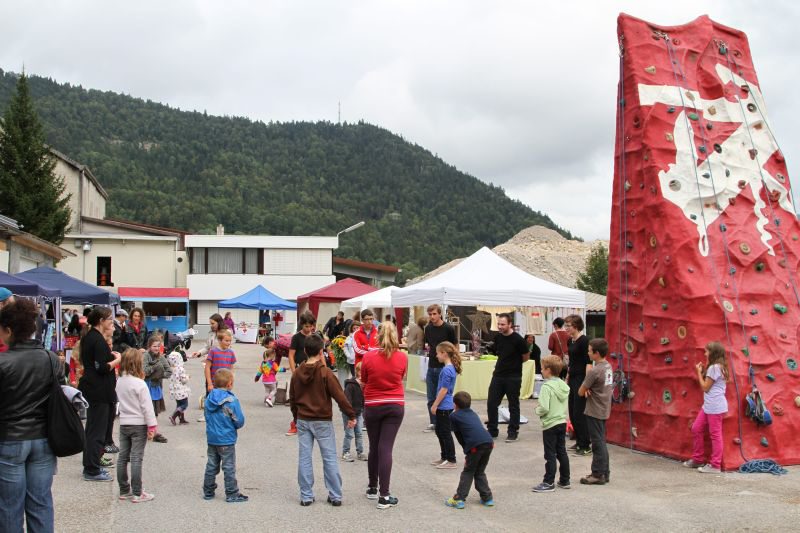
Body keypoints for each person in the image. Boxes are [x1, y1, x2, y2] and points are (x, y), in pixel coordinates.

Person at [0, 298, 63, 530]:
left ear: (8, 330)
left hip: (9, 440)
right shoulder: (51, 359)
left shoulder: (3, 362)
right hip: (44, 438)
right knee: (41, 503)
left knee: (9, 506)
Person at [290, 334, 356, 507]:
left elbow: (293, 397)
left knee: (304, 457)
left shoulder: (297, 373)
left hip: (303, 419)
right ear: (321, 352)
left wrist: (296, 417)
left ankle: (306, 495)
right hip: (322, 420)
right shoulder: (325, 373)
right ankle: (335, 495)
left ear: (305, 351)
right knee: (329, 457)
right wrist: (351, 414)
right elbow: (339, 396)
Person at [362, 321, 408, 509]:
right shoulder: (402, 357)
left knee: (374, 447)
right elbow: (402, 377)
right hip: (394, 404)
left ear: (377, 336)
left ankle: (373, 487)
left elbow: (363, 381)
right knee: (386, 448)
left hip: (373, 405)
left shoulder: (368, 357)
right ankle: (385, 495)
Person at [79, 306, 122, 482]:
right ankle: (92, 469)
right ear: (100, 321)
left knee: (94, 429)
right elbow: (101, 367)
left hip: (96, 388)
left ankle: (92, 464)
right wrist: (117, 360)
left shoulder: (92, 338)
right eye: (109, 319)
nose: (112, 321)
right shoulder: (96, 340)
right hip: (98, 390)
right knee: (97, 430)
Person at [115, 348, 158, 503]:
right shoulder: (140, 383)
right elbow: (147, 407)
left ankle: (124, 489)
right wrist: (152, 426)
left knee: (122, 457)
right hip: (139, 423)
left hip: (124, 422)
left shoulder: (119, 381)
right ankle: (138, 492)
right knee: (136, 458)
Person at [683, 341, 729, 474]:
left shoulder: (715, 368)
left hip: (715, 406)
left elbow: (705, 387)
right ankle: (698, 459)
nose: (705, 353)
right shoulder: (717, 367)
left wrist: (698, 372)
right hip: (709, 405)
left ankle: (715, 465)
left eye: (707, 351)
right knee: (697, 428)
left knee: (715, 435)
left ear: (713, 353)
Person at [203, 368, 248, 502]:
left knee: (212, 464)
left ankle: (208, 490)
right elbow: (239, 420)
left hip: (212, 437)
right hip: (226, 439)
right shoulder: (231, 401)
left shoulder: (209, 398)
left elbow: (206, 416)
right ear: (230, 384)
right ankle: (232, 493)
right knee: (228, 467)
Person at [445, 391, 495, 509]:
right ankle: (487, 498)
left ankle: (459, 499)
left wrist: (466, 449)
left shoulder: (453, 416)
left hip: (475, 446)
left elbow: (459, 435)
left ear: (455, 404)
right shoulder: (473, 413)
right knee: (480, 471)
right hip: (489, 442)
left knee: (468, 471)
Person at [486, 313, 529, 443]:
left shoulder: (518, 339)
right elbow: (495, 350)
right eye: (499, 324)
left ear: (510, 324)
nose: (500, 326)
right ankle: (492, 430)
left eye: (503, 324)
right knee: (492, 403)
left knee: (513, 405)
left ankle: (512, 431)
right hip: (498, 375)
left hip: (513, 376)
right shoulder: (498, 337)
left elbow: (526, 356)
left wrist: (514, 364)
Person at [532, 355, 571, 492]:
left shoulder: (546, 387)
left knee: (550, 454)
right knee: (561, 451)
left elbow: (544, 407)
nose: (541, 371)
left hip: (550, 424)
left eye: (542, 369)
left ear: (548, 370)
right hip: (561, 421)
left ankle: (548, 482)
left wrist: (537, 410)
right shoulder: (563, 385)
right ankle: (565, 479)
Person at [578, 338, 614, 485]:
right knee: (601, 441)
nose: (588, 352)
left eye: (589, 350)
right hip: (604, 407)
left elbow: (581, 391)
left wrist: (586, 390)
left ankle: (597, 473)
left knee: (597, 442)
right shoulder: (608, 367)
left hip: (594, 409)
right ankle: (605, 472)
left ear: (596, 353)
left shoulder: (595, 371)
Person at [423, 304, 456, 431]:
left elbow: (454, 346)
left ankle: (446, 421)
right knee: (431, 396)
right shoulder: (428, 328)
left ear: (440, 314)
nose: (432, 317)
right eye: (430, 314)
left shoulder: (448, 328)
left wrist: (453, 363)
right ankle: (434, 421)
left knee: (444, 393)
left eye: (434, 314)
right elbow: (429, 345)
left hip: (445, 366)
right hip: (432, 364)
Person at [430, 341, 461, 469]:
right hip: (444, 405)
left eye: (438, 353)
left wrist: (435, 405)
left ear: (444, 353)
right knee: (440, 431)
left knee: (445, 432)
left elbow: (444, 389)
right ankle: (444, 456)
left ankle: (451, 459)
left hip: (444, 406)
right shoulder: (448, 368)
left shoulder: (447, 370)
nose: (436, 356)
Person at [286, 311, 317, 436]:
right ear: (301, 325)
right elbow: (291, 355)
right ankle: (295, 422)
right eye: (306, 326)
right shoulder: (296, 337)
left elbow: (320, 354)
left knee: (312, 397)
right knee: (298, 398)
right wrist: (294, 372)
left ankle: (310, 423)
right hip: (300, 370)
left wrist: (325, 369)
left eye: (311, 326)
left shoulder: (315, 337)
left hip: (313, 370)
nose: (309, 329)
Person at [192, 313, 227, 422]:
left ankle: (221, 414)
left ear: (219, 322)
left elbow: (226, 348)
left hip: (221, 365)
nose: (211, 325)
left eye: (213, 323)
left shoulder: (226, 333)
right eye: (210, 323)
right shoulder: (211, 333)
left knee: (221, 391)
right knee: (209, 389)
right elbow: (207, 347)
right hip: (210, 365)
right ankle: (207, 414)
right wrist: (199, 353)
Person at [564, 314, 591, 456]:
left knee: (579, 412)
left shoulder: (584, 340)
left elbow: (588, 363)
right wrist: (567, 376)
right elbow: (572, 361)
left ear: (576, 326)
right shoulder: (570, 341)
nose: (566, 328)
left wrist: (587, 384)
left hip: (581, 378)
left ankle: (586, 444)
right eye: (566, 326)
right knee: (572, 411)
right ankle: (579, 440)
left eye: (568, 326)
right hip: (573, 377)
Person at [144, 334, 171, 443]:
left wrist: (159, 375)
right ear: (149, 346)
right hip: (146, 386)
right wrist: (156, 367)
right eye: (154, 346)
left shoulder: (161, 357)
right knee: (146, 410)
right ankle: (146, 431)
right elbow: (144, 371)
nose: (156, 348)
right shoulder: (145, 356)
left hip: (156, 387)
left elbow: (169, 371)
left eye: (158, 346)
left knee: (154, 411)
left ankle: (153, 432)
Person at [342, 362, 366, 462]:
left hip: (359, 412)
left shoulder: (364, 385)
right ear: (358, 372)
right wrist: (351, 416)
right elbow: (347, 401)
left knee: (359, 433)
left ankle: (360, 452)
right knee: (349, 434)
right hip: (349, 413)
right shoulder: (350, 385)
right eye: (362, 372)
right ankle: (345, 452)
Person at [167, 350, 191, 425]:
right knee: (184, 404)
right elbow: (183, 380)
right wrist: (188, 377)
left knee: (179, 405)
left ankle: (182, 419)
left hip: (174, 390)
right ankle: (173, 416)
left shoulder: (171, 369)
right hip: (181, 389)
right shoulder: (180, 369)